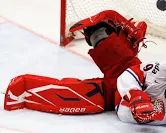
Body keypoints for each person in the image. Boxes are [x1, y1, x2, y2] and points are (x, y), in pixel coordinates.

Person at [4, 10, 147, 114]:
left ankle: (100, 33)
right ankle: (101, 33)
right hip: (130, 77)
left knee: (91, 91)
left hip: (117, 89)